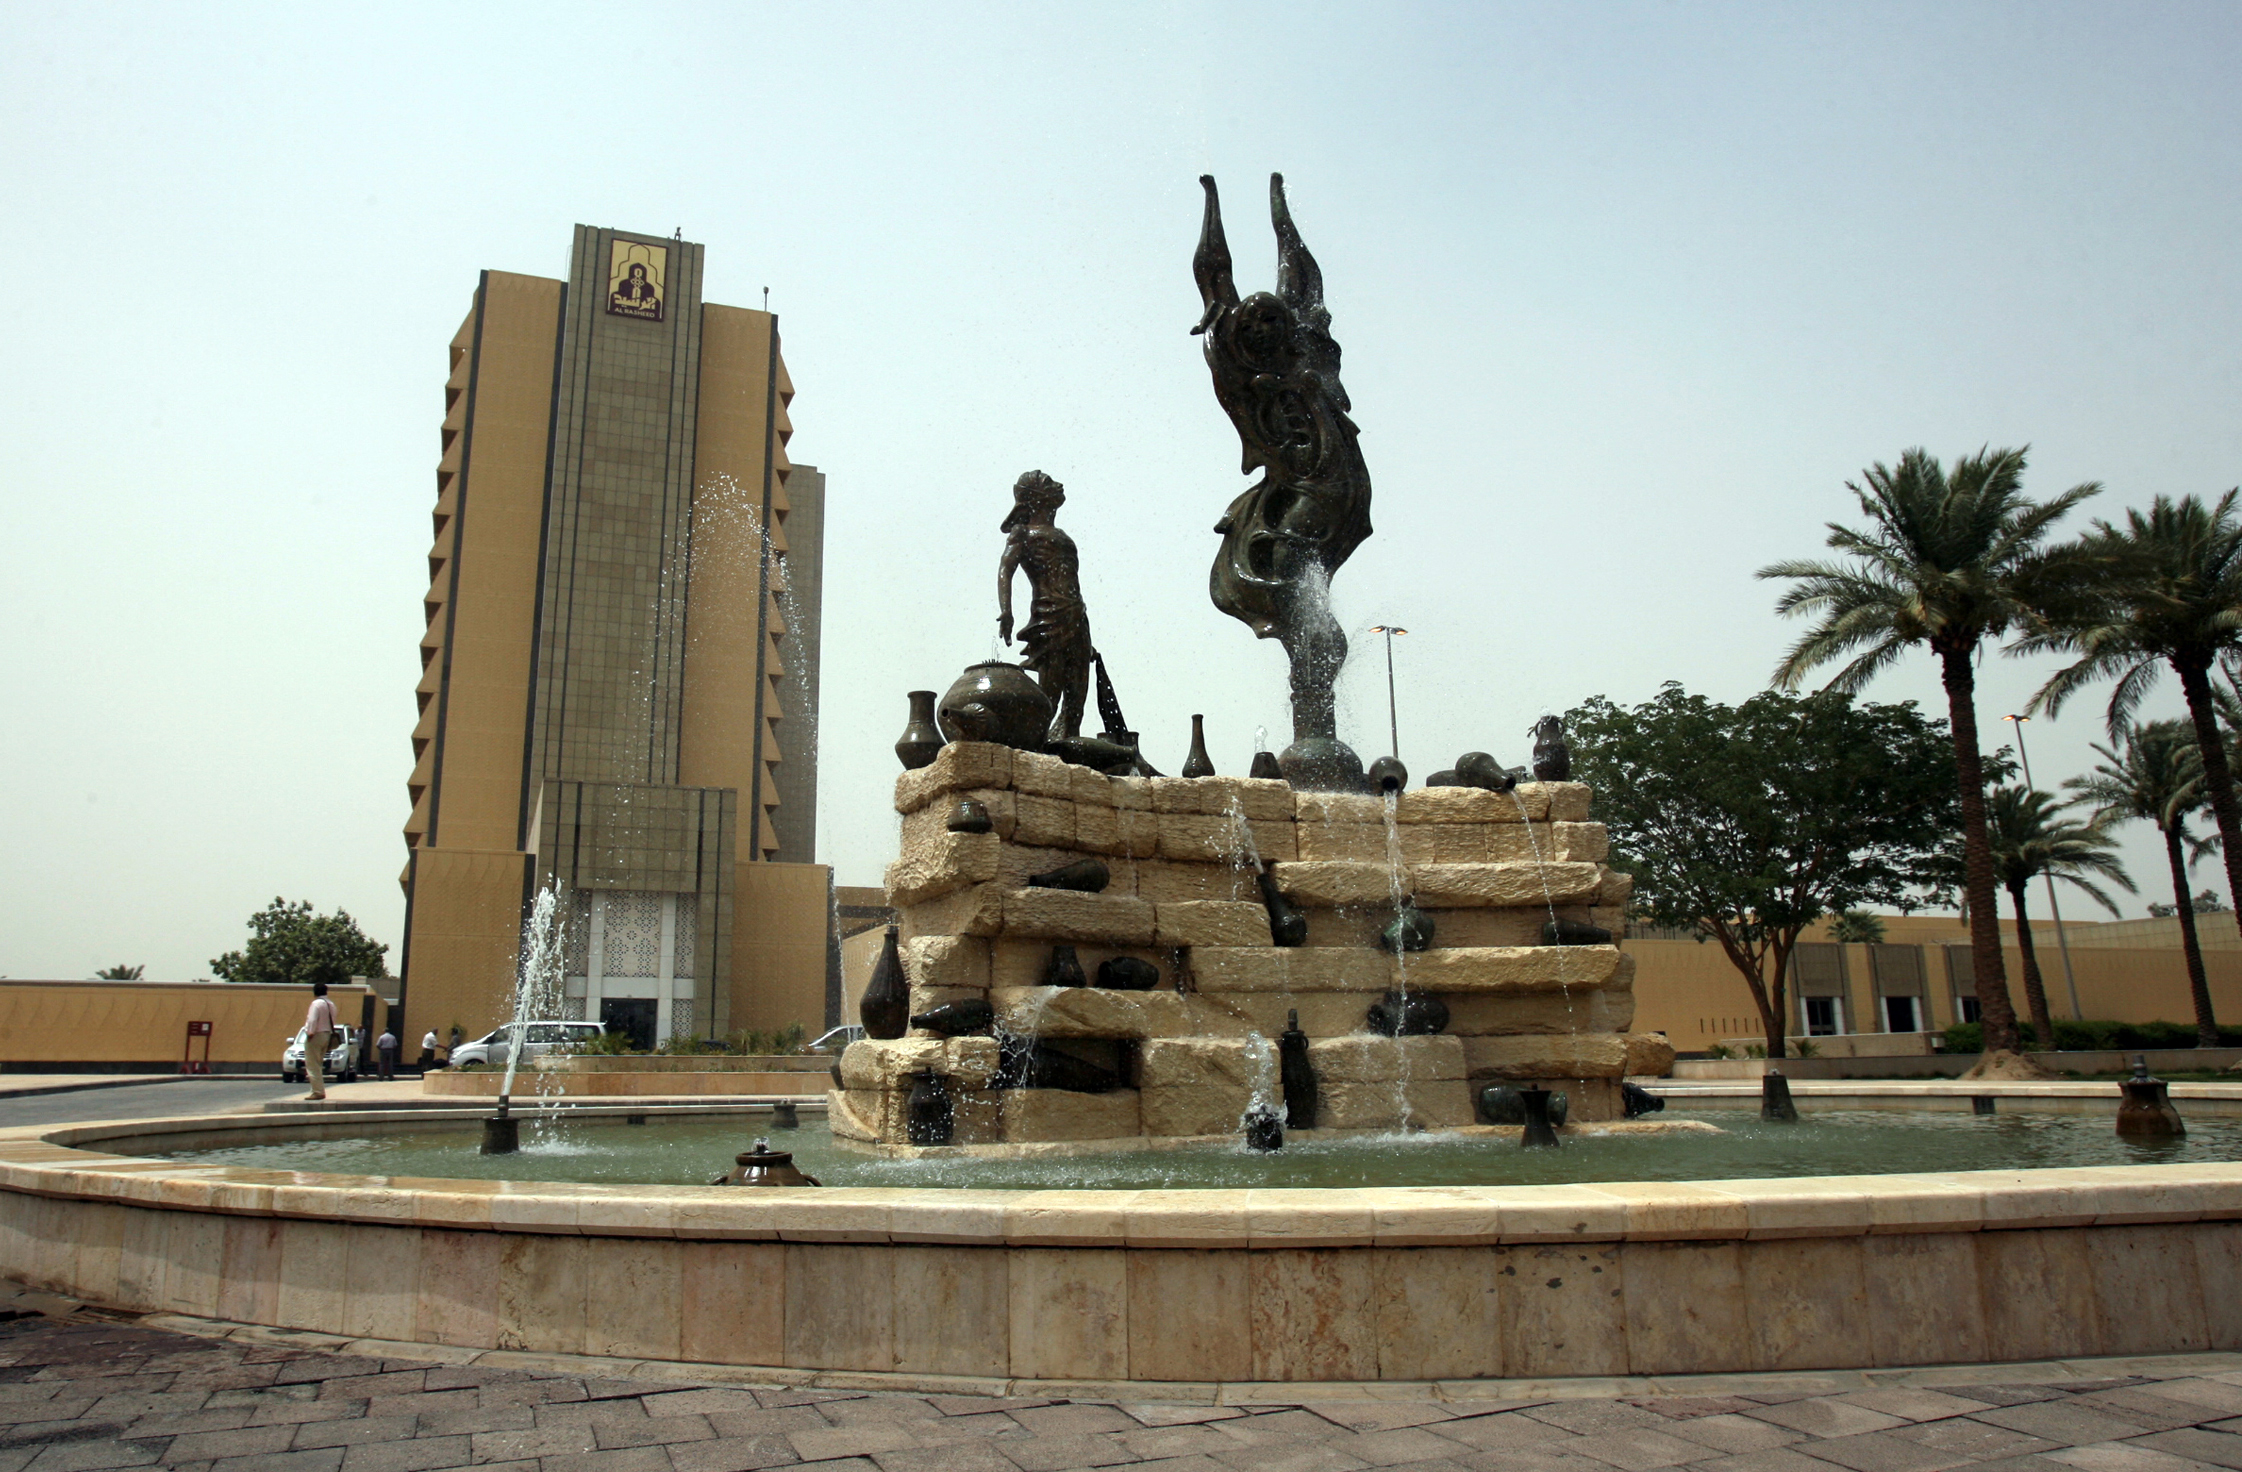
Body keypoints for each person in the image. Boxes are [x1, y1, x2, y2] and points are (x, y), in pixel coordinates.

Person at [997, 471, 1093, 740]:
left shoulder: (1060, 533)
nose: (1059, 486)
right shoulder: (1023, 533)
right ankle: (1033, 749)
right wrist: (1007, 610)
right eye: (1050, 484)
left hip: (1077, 619)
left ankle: (1068, 755)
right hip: (1049, 620)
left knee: (1077, 701)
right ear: (1036, 498)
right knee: (1047, 699)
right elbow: (1006, 569)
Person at [302, 982, 337, 1101]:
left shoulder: (316, 1004)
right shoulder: (331, 1004)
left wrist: (310, 1033)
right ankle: (318, 1089)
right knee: (318, 1064)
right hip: (327, 1035)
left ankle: (317, 1091)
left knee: (312, 1065)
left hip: (316, 1035)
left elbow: (312, 1020)